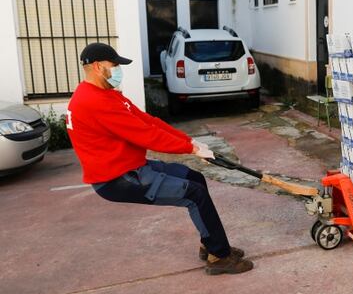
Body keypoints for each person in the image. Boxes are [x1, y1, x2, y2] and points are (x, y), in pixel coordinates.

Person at [66, 42, 253, 275]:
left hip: (133, 166)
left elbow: (149, 122)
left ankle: (211, 244)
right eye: (113, 65)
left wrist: (190, 142)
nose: (117, 70)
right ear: (97, 67)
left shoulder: (106, 95)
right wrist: (190, 150)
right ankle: (220, 258)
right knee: (195, 194)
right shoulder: (94, 101)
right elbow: (146, 135)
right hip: (117, 177)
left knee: (194, 178)